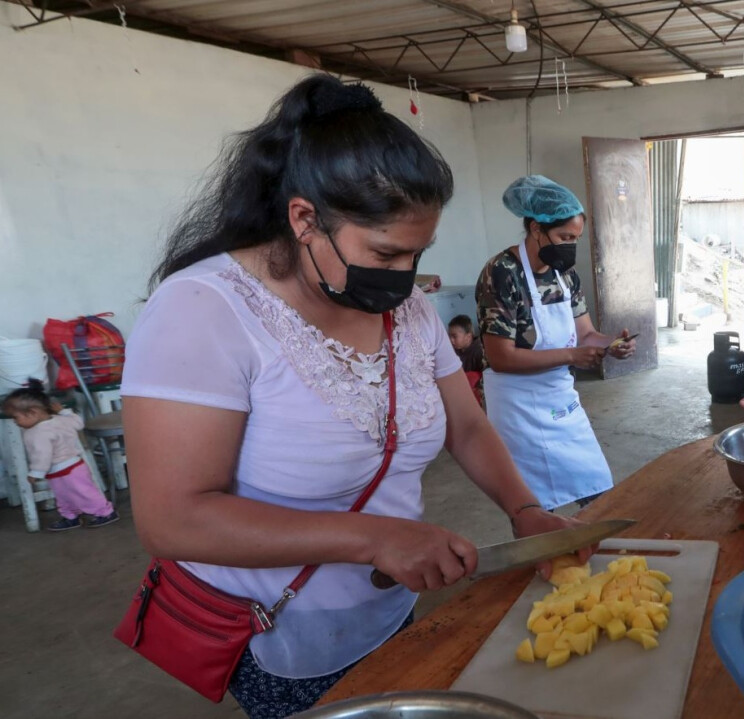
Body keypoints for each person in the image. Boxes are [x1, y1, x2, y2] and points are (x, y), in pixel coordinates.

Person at [121, 76, 583, 719]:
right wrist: (373, 538)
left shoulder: (411, 310)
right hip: (278, 632)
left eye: (417, 255)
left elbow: (467, 427)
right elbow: (172, 518)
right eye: (386, 254)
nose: (405, 278)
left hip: (390, 606)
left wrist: (525, 509)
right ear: (304, 218)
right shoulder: (203, 310)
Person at [476, 175, 636, 509]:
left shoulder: (564, 275)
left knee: (599, 490)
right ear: (536, 228)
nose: (569, 246)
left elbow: (586, 334)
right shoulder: (502, 272)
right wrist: (573, 355)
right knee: (533, 507)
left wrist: (610, 345)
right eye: (564, 236)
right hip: (516, 405)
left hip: (560, 398)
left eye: (575, 238)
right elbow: (501, 357)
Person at [2, 380, 118, 532]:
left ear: (32, 413)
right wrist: (65, 411)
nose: (15, 422)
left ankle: (105, 513)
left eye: (16, 417)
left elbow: (42, 456)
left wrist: (35, 473)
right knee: (70, 494)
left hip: (63, 470)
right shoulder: (60, 419)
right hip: (74, 467)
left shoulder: (38, 433)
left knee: (79, 494)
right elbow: (78, 424)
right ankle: (72, 517)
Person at [448, 314, 487, 408]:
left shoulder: (479, 351)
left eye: (454, 336)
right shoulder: (453, 351)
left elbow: (485, 378)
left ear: (468, 337)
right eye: (449, 336)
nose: (451, 340)